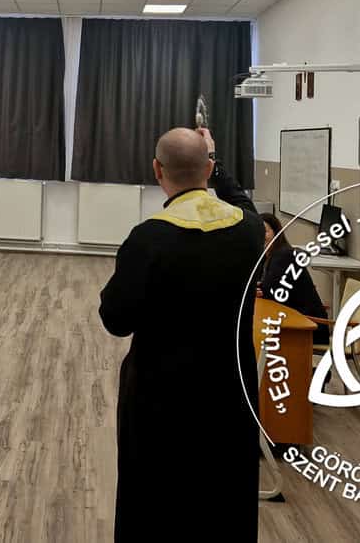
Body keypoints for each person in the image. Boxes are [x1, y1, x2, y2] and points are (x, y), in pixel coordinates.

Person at [99, 127, 262, 542]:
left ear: (157, 170)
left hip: (161, 399)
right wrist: (215, 160)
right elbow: (243, 203)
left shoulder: (147, 239)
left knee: (155, 503)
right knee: (225, 498)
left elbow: (115, 319)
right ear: (208, 168)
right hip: (231, 393)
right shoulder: (249, 231)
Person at [259, 213, 330, 345]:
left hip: (309, 328)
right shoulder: (271, 254)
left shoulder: (283, 256)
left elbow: (271, 292)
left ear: (276, 233)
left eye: (265, 231)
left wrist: (259, 289)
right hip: (295, 320)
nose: (261, 235)